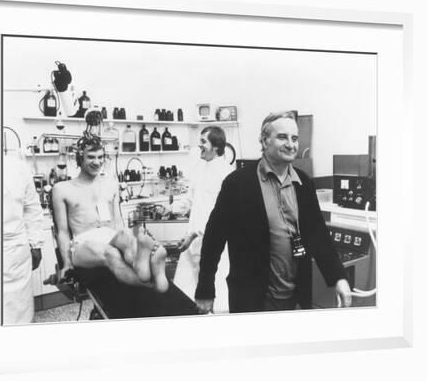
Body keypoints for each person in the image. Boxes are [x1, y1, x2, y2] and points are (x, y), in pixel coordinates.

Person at [195, 111, 352, 313]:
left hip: (296, 298)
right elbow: (213, 238)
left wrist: (338, 278)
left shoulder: (303, 183)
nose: (290, 144)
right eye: (282, 137)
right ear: (264, 140)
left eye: (294, 138)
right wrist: (205, 288)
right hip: (253, 299)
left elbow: (318, 234)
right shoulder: (238, 184)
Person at [52, 135, 169, 293]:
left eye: (100, 157)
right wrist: (66, 264)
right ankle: (151, 284)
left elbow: (118, 222)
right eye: (91, 157)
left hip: (109, 235)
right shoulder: (62, 189)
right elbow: (63, 231)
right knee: (111, 253)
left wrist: (129, 240)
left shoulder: (110, 184)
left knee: (125, 238)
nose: (97, 162)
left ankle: (143, 264)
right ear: (80, 158)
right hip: (82, 243)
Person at [163, 126, 233, 313]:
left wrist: (195, 233)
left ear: (216, 146)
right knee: (186, 294)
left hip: (214, 245)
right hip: (192, 242)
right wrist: (170, 208)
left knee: (216, 299)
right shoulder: (200, 169)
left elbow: (221, 217)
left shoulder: (227, 175)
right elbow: (189, 200)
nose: (199, 145)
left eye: (203, 142)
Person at [3, 155, 45, 324]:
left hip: (13, 248)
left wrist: (36, 244)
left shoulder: (17, 167)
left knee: (18, 313)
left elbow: (32, 207)